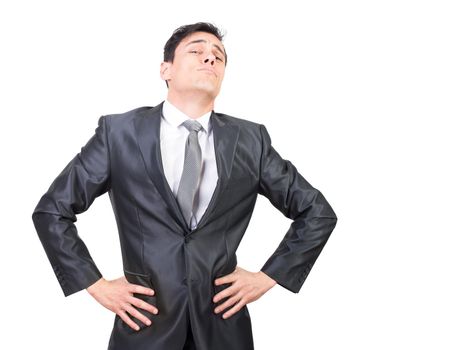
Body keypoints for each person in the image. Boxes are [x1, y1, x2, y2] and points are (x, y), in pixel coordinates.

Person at [32, 22, 337, 350]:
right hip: (146, 325)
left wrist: (268, 276)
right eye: (197, 51)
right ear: (166, 69)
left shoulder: (251, 141)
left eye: (218, 56)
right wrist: (94, 283)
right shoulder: (118, 133)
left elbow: (316, 212)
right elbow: (53, 210)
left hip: (223, 328)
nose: (210, 59)